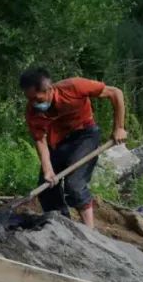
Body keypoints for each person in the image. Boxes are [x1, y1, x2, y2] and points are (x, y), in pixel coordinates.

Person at [19, 68, 127, 229]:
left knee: (74, 185)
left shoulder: (74, 87)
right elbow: (40, 140)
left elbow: (115, 93)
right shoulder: (32, 111)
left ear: (49, 89)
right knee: (46, 188)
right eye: (30, 99)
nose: (34, 103)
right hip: (58, 143)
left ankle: (89, 232)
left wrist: (119, 127)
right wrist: (48, 170)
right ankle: (62, 225)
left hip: (84, 136)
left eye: (37, 99)